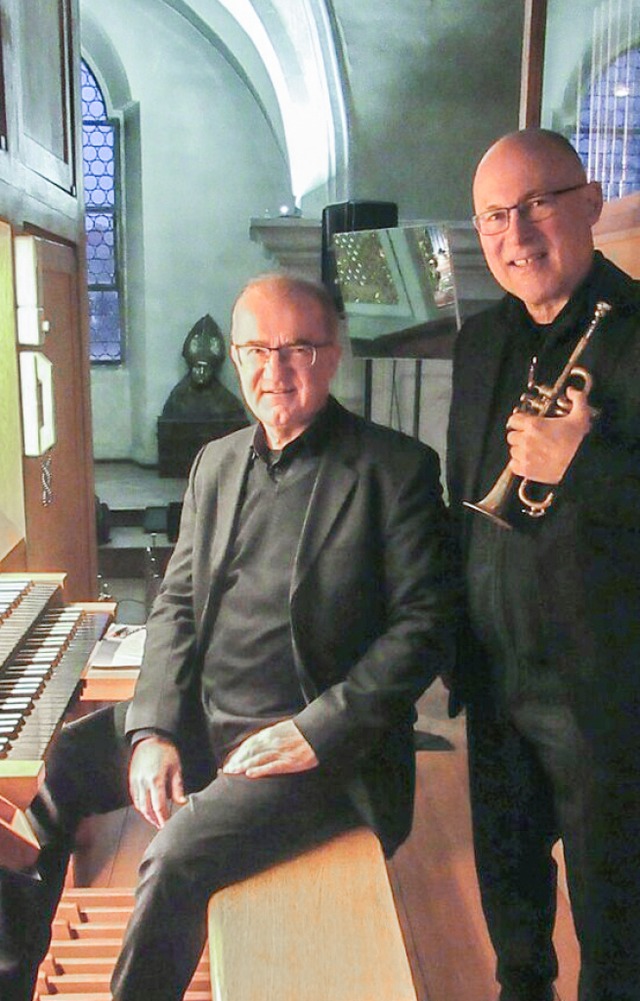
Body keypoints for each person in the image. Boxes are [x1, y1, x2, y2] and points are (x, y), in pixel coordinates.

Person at [0, 274, 455, 1001]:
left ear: (332, 354)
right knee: (59, 772)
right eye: (256, 350)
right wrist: (151, 727)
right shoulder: (216, 462)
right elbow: (176, 600)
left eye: (297, 348)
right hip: (203, 718)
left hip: (310, 748)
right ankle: (11, 979)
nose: (274, 371)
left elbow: (425, 626)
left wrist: (319, 729)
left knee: (175, 856)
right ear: (234, 356)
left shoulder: (394, 469)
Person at [447, 127, 640, 1001]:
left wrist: (586, 467)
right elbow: (463, 497)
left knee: (617, 924)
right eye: (495, 217)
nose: (517, 236)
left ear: (592, 204)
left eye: (538, 206)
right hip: (495, 682)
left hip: (605, 690)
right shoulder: (480, 342)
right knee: (513, 913)